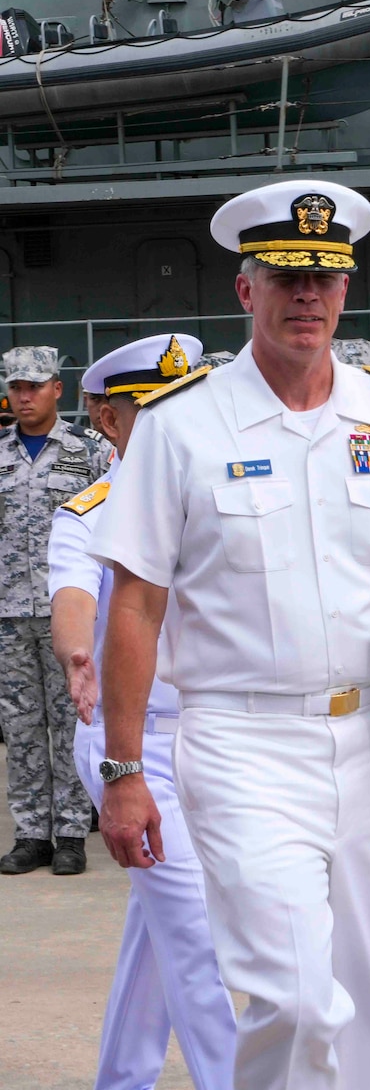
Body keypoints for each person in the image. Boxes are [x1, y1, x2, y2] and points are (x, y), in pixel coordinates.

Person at [88, 179, 370, 1090]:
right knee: (297, 1000)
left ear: (346, 290)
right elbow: (136, 604)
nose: (306, 296)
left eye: (325, 278)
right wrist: (123, 771)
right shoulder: (179, 428)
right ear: (247, 290)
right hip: (244, 743)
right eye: (284, 277)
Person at [48, 333, 237, 1090]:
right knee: (198, 936)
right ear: (105, 419)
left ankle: (123, 1078)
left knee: (162, 935)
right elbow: (71, 594)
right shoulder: (92, 510)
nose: (170, 420)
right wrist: (76, 655)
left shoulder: (219, 489)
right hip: (136, 746)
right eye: (146, 408)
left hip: (220, 736)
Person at [0, 345, 108, 876]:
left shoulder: (86, 452)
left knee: (72, 721)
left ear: (57, 389)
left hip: (69, 612)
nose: (24, 395)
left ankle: (70, 830)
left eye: (34, 386)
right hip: (7, 614)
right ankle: (30, 834)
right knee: (20, 725)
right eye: (15, 386)